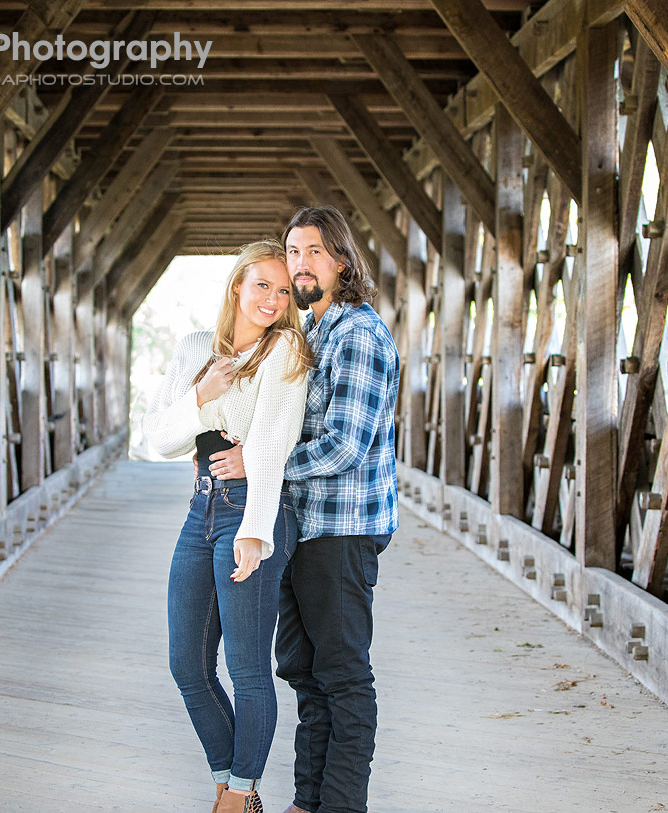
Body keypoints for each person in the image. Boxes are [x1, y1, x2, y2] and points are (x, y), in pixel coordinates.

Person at [207, 207, 400, 813]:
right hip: (301, 527)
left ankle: (342, 806)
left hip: (342, 529)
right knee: (303, 671)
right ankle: (307, 800)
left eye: (314, 251)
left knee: (342, 675)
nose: (300, 263)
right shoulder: (309, 334)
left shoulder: (360, 334)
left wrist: (259, 464)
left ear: (342, 260)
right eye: (293, 252)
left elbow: (345, 445)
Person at [144, 239, 314, 813]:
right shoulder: (196, 348)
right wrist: (201, 393)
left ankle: (239, 796)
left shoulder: (285, 350)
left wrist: (255, 531)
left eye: (283, 289)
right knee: (187, 663)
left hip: (254, 508)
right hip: (200, 509)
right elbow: (160, 439)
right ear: (237, 284)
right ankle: (228, 780)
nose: (272, 298)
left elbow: (269, 443)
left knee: (246, 667)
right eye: (262, 284)